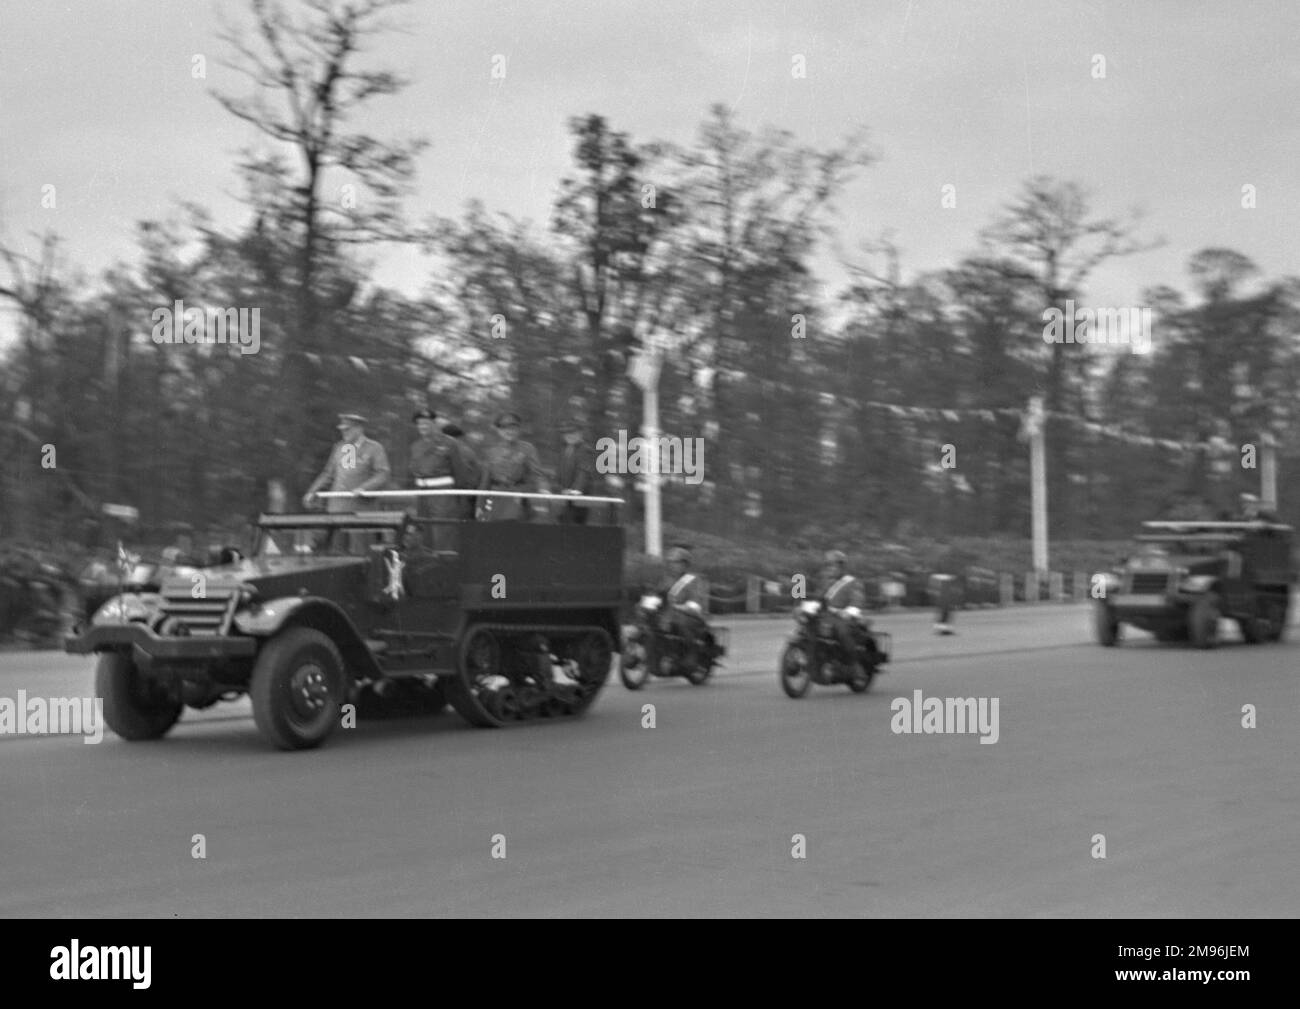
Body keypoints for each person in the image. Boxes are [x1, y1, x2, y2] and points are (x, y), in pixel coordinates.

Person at [408, 408, 476, 547]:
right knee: (425, 530)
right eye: (420, 423)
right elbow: (415, 470)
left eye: (426, 423)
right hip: (422, 493)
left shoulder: (449, 443)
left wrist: (459, 499)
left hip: (442, 494)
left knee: (442, 532)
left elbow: (460, 474)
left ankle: (444, 562)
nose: (423, 426)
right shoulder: (416, 446)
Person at [302, 413, 391, 513]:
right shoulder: (339, 448)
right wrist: (312, 491)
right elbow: (328, 474)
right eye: (342, 430)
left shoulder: (374, 448)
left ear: (359, 429)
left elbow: (382, 474)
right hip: (337, 507)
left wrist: (364, 488)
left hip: (361, 508)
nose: (344, 432)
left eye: (348, 429)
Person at [479, 412, 549, 521]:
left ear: (518, 430)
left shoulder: (527, 449)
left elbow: (537, 476)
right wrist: (479, 505)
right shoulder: (491, 452)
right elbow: (485, 482)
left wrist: (539, 490)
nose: (509, 432)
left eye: (513, 428)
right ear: (498, 431)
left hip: (518, 502)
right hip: (496, 501)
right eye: (504, 428)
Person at [819, 550, 873, 671]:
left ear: (841, 566)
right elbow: (819, 598)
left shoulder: (852, 582)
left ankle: (854, 664)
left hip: (843, 617)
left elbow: (857, 600)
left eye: (833, 565)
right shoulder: (826, 582)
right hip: (827, 615)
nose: (830, 568)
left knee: (842, 632)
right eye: (828, 565)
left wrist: (849, 612)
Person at [660, 546, 715, 663]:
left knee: (683, 625)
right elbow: (658, 592)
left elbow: (697, 601)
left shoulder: (693, 580)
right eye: (671, 562)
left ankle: (691, 653)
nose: (673, 565)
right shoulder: (667, 579)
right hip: (669, 614)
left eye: (676, 562)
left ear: (685, 564)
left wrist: (685, 607)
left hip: (690, 615)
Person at [556, 414, 598, 524]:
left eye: (572, 432)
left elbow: (583, 473)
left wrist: (575, 491)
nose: (569, 435)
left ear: (580, 433)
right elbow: (559, 475)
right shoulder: (563, 450)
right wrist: (559, 489)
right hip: (564, 500)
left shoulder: (586, 450)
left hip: (579, 501)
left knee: (576, 531)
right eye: (566, 433)